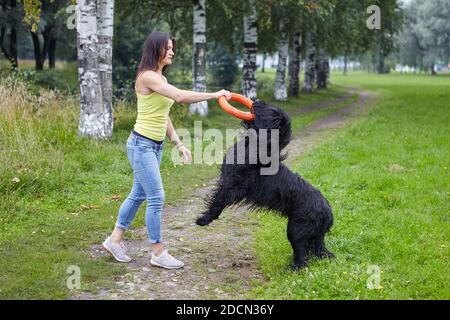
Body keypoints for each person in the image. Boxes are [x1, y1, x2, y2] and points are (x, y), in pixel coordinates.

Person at [102, 31, 231, 269]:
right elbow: (181, 97)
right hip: (141, 145)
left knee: (138, 194)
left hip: (153, 146)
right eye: (168, 48)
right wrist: (215, 94)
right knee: (156, 197)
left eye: (172, 48)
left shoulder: (160, 78)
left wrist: (178, 143)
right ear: (156, 50)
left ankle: (114, 240)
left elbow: (164, 115)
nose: (172, 51)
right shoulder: (148, 76)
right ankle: (158, 251)